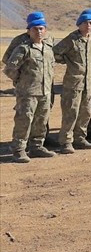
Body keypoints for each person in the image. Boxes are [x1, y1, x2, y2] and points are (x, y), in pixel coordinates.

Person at [5, 13, 56, 162]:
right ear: (29, 31)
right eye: (35, 29)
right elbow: (10, 69)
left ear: (45, 30)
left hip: (45, 91)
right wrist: (20, 81)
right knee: (24, 120)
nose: (38, 31)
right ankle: (19, 150)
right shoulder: (23, 48)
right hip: (28, 92)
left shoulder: (48, 48)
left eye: (41, 28)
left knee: (41, 120)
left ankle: (36, 147)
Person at [53, 11, 91, 152]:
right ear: (79, 24)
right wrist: (67, 61)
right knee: (71, 113)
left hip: (87, 83)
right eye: (86, 23)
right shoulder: (71, 39)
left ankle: (80, 138)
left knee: (85, 112)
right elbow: (55, 52)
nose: (89, 25)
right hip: (73, 83)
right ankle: (66, 141)